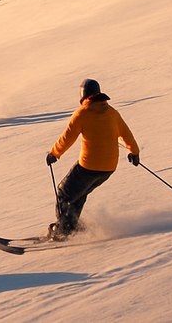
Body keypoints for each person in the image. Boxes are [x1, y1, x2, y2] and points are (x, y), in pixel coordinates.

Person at [44, 79, 140, 241]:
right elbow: (126, 133)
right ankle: (71, 225)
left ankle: (63, 231)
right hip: (108, 168)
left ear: (82, 95)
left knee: (64, 193)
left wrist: (54, 153)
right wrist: (134, 152)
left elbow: (68, 137)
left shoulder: (83, 112)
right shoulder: (112, 112)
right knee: (79, 194)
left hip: (89, 166)